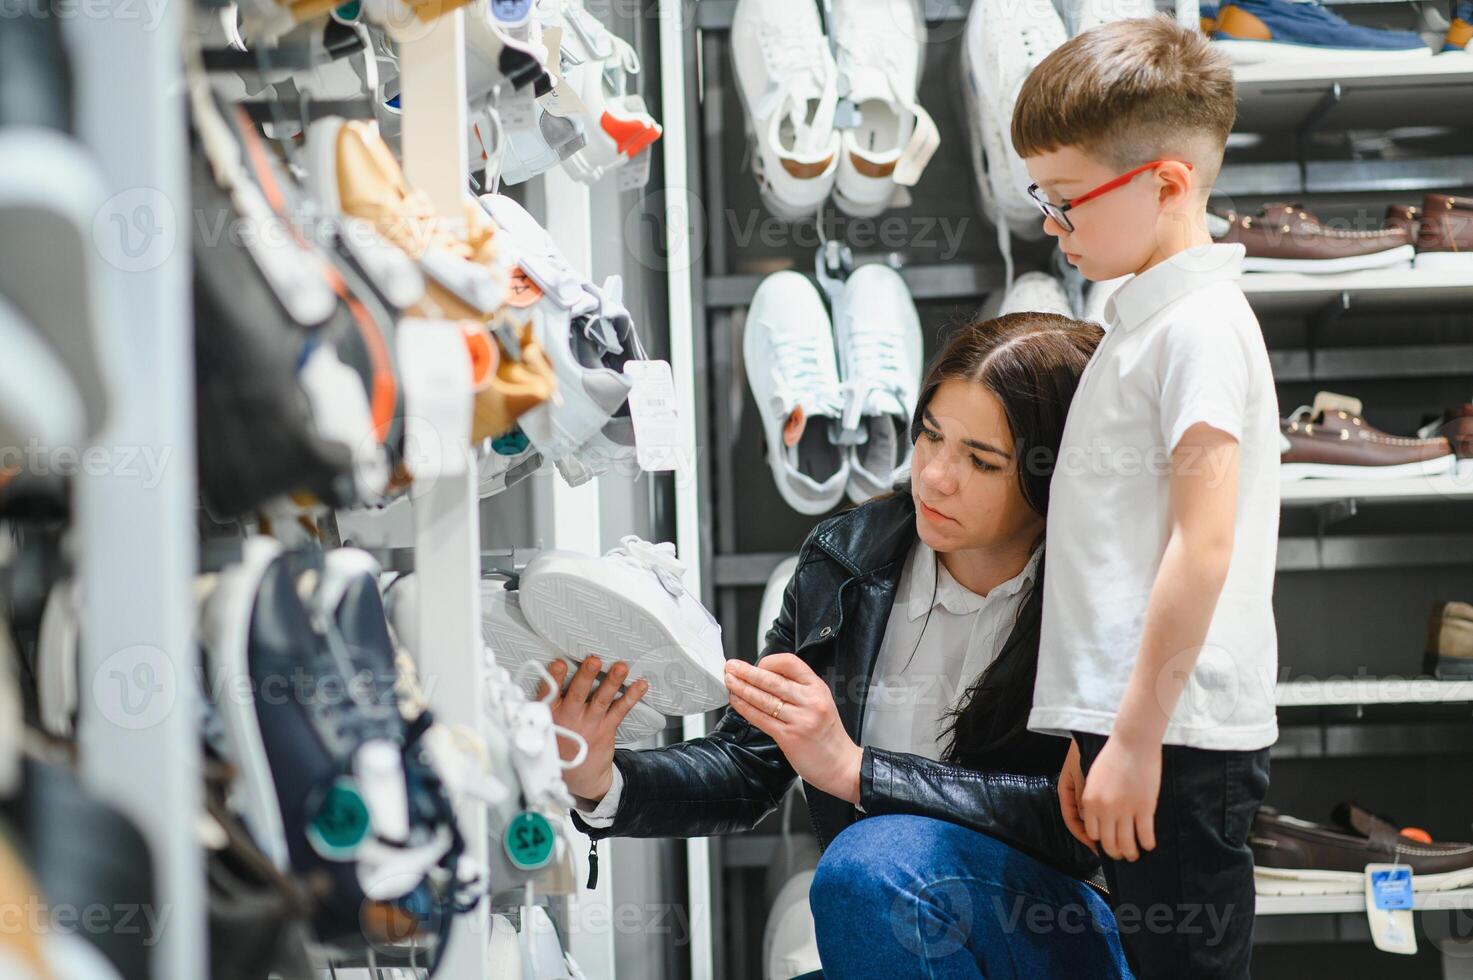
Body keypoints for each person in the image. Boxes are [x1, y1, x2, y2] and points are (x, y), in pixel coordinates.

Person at [540, 311, 1133, 978]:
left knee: (869, 866)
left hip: (1048, 934)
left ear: (1055, 477)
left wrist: (854, 770)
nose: (935, 476)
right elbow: (751, 763)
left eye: (980, 460)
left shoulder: (1104, 597)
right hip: (899, 914)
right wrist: (604, 779)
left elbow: (1077, 823)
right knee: (871, 874)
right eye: (930, 436)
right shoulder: (844, 559)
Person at [1013, 17, 1280, 980]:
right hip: (1145, 724)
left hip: (1181, 735)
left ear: (1166, 182)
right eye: (1044, 197)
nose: (1053, 224)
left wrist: (1132, 737)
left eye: (1069, 200)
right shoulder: (1143, 321)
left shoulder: (1200, 328)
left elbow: (1202, 548)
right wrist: (1102, 725)